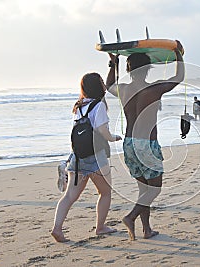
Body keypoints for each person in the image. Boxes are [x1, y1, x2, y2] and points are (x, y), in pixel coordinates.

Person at [107, 42, 184, 240]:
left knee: (144, 188)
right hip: (146, 144)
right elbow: (178, 77)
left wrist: (112, 64)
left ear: (128, 69)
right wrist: (179, 56)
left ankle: (147, 229)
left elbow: (108, 86)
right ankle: (131, 217)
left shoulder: (123, 89)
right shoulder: (154, 89)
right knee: (155, 188)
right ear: (149, 68)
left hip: (129, 143)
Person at [51, 73, 122, 242]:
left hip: (77, 157)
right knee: (105, 193)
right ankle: (100, 227)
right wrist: (114, 138)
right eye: (102, 82)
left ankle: (57, 228)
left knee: (69, 196)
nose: (104, 84)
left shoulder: (78, 106)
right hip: (96, 157)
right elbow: (102, 131)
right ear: (97, 86)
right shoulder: (99, 106)